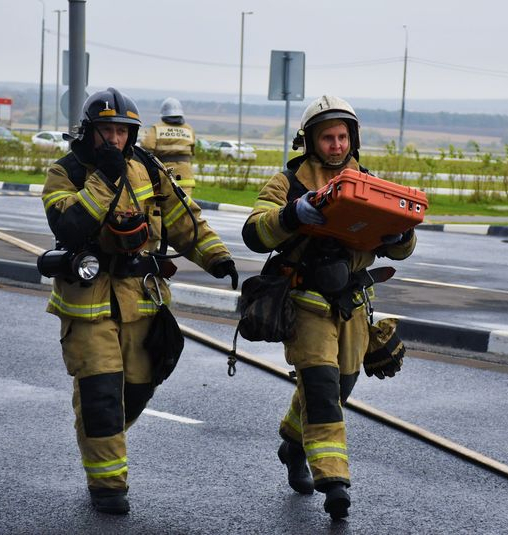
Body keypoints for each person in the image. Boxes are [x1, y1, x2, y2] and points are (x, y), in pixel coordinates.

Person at [41, 88, 238, 515]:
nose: (114, 140)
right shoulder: (66, 172)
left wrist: (217, 258)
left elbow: (185, 219)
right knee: (100, 394)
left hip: (142, 299)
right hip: (87, 304)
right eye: (106, 131)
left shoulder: (146, 168)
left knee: (138, 388)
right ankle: (108, 486)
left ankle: (101, 433)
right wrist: (105, 178)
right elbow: (70, 226)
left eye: (122, 132)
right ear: (89, 131)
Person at [241, 95, 417, 520]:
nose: (336, 145)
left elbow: (404, 241)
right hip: (304, 301)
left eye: (342, 137)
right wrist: (291, 215)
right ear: (310, 140)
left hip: (353, 303)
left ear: (351, 139)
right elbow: (253, 232)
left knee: (341, 386)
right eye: (327, 137)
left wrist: (397, 238)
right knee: (320, 390)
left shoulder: (370, 182)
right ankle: (333, 482)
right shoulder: (289, 183)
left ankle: (292, 443)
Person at [140, 97, 197, 197]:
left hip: (165, 175)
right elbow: (192, 152)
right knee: (186, 207)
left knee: (167, 207)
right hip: (186, 176)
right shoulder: (188, 129)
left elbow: (145, 149)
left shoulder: (157, 128)